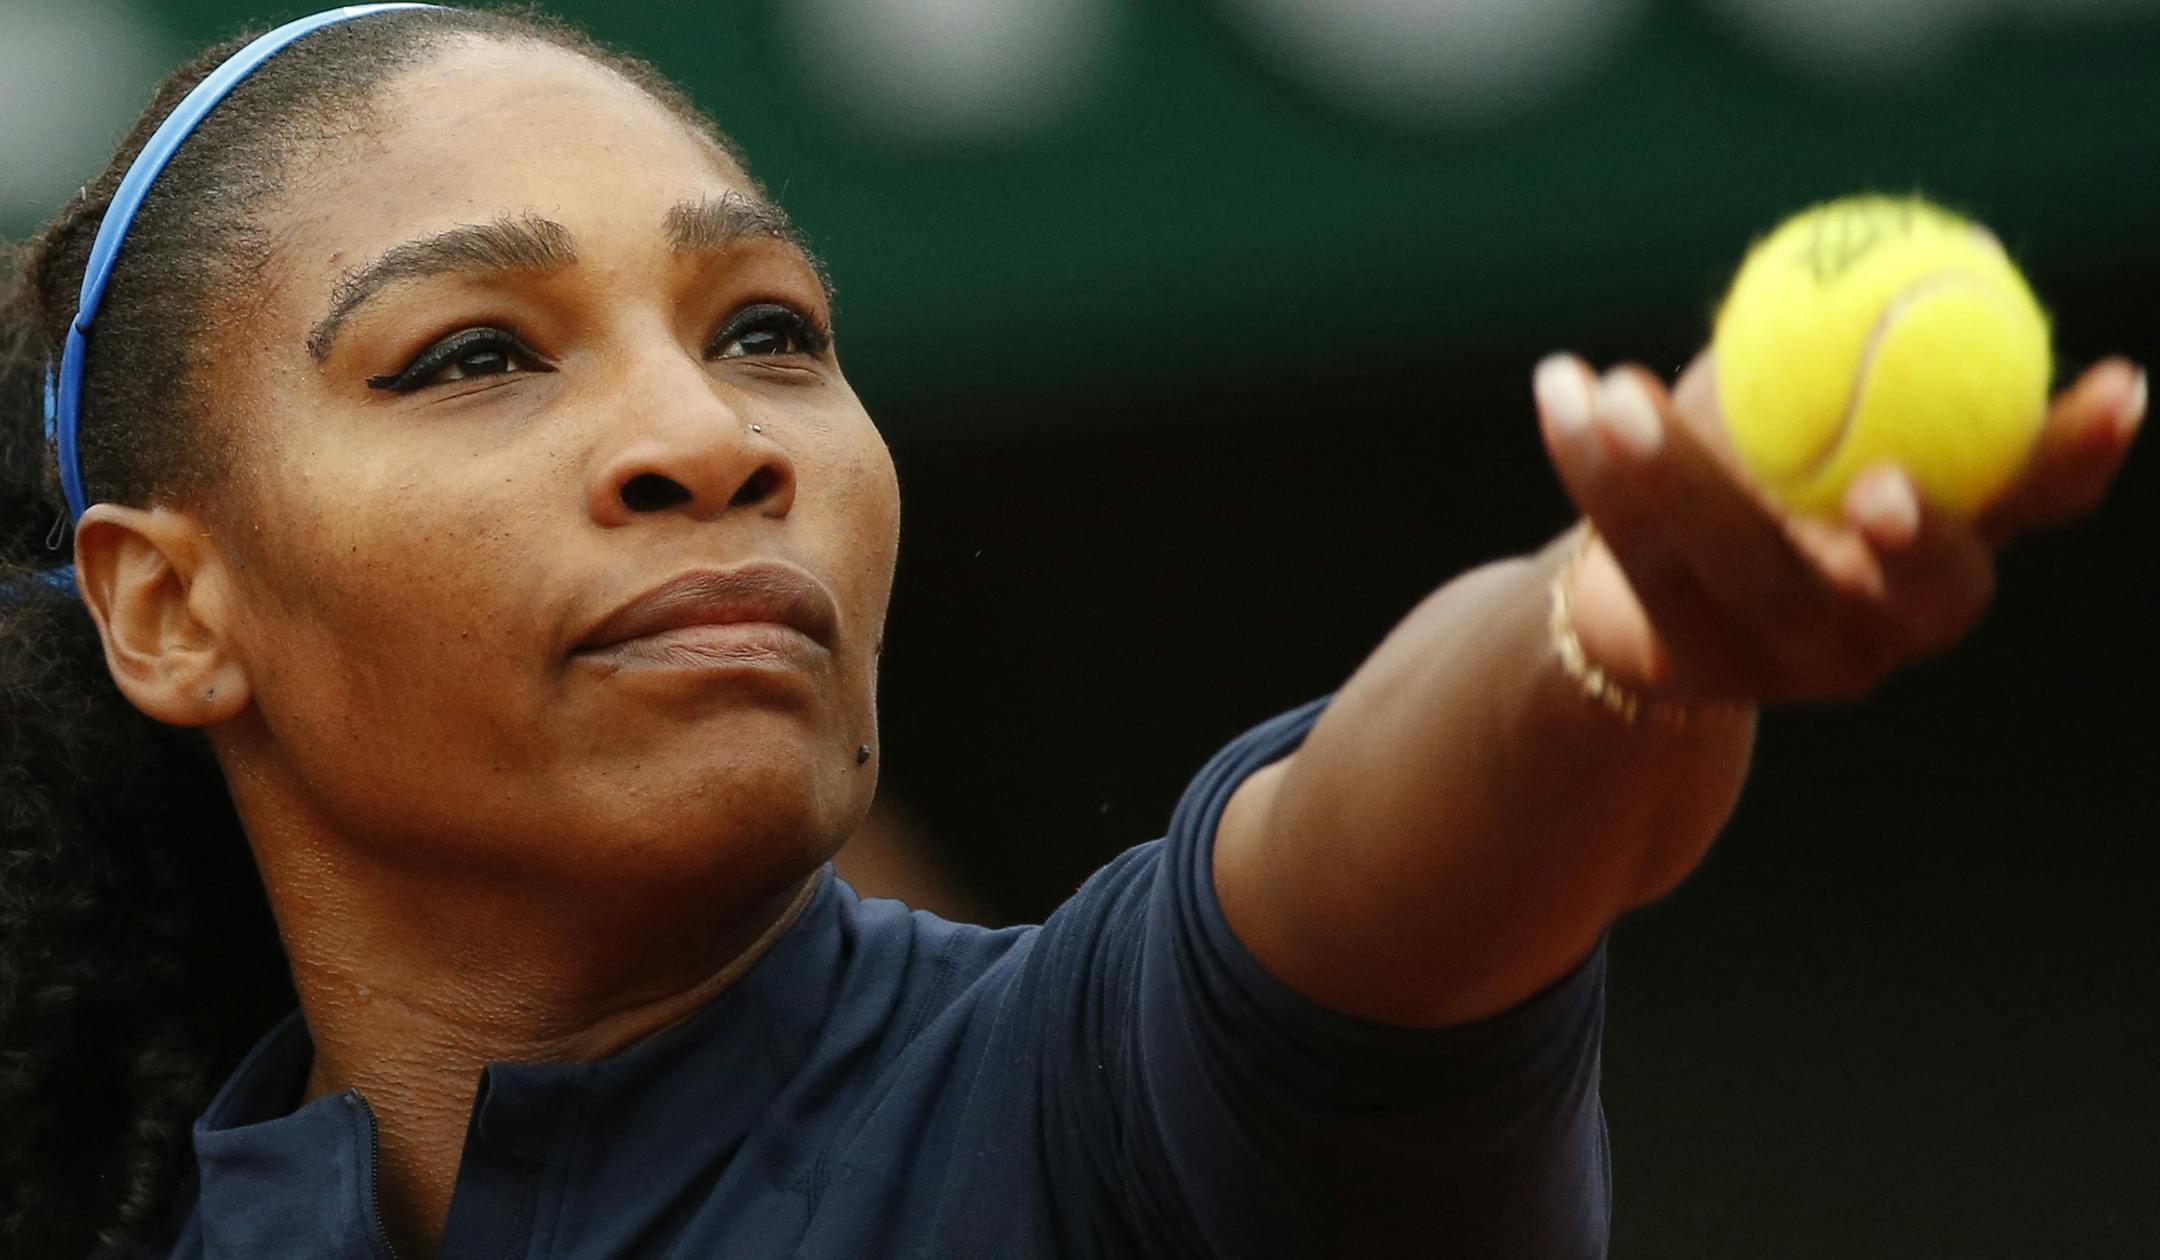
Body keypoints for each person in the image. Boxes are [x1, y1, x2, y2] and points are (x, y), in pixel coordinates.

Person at [0, 6, 2140, 1258]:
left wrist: (1618, 639)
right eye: (475, 356)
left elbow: (1384, 855)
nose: (702, 438)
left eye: (766, 334)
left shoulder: (1116, 1106)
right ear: (170, 609)